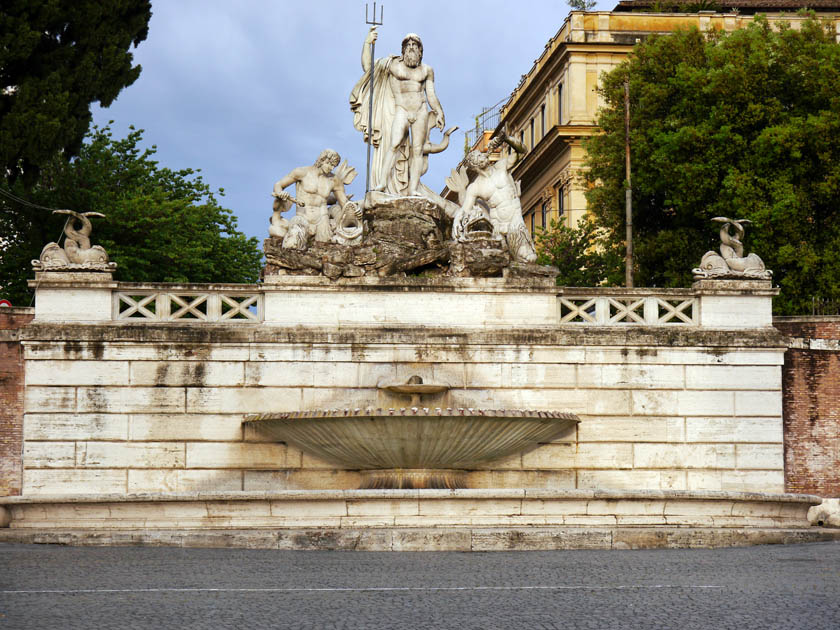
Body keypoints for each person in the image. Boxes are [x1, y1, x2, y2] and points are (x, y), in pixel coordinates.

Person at [350, 28, 445, 197]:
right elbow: (367, 67)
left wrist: (439, 112)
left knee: (417, 150)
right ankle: (381, 184)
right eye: (408, 45)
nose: (411, 47)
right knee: (393, 145)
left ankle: (413, 188)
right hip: (401, 109)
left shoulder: (426, 70)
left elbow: (430, 94)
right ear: (402, 50)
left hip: (420, 110)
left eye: (415, 45)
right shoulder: (392, 65)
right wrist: (367, 43)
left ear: (420, 50)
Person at [453, 134, 537, 264]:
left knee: (528, 258)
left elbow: (522, 151)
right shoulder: (475, 187)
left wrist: (506, 139)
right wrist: (457, 221)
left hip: (514, 218)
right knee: (497, 263)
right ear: (474, 164)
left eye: (481, 154)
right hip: (496, 225)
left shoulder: (501, 166)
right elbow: (465, 209)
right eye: (479, 156)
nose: (483, 156)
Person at [271, 149, 358, 250]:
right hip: (302, 217)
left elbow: (344, 203)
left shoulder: (334, 180)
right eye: (329, 164)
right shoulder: (302, 172)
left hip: (323, 220)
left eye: (334, 166)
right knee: (292, 245)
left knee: (327, 250)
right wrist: (280, 192)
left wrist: (354, 209)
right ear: (321, 160)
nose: (331, 168)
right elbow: (278, 185)